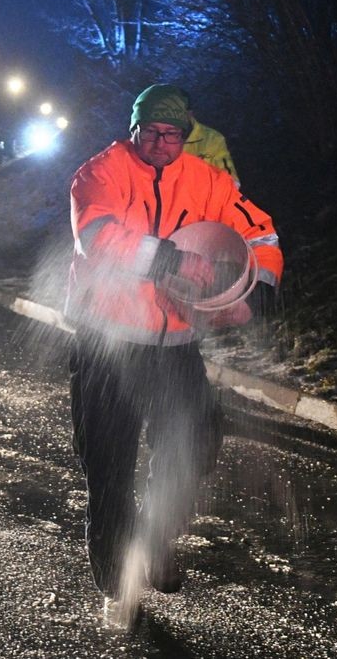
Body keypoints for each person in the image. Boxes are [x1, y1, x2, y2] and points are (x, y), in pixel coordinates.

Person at [65, 83, 282, 628]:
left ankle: (156, 541)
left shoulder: (206, 180)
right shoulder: (101, 173)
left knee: (196, 444)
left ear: (187, 134)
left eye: (174, 133)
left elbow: (260, 233)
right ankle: (118, 582)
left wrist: (253, 292)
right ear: (134, 128)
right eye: (152, 131)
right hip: (108, 341)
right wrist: (170, 261)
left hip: (176, 344)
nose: (163, 143)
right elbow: (98, 236)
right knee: (109, 464)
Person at [178, 88, 241, 187]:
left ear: (190, 112)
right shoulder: (151, 138)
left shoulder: (212, 139)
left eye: (178, 111)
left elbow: (231, 183)